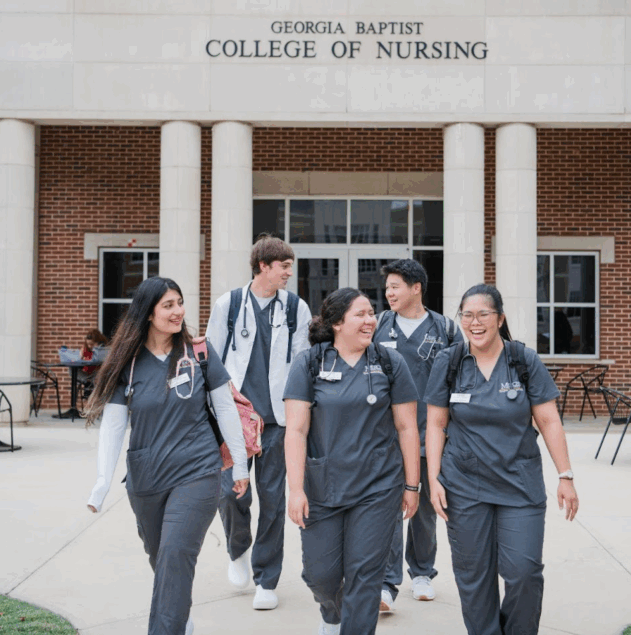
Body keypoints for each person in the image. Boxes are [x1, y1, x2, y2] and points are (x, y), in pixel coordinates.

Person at [84, 277, 249, 635]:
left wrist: (240, 464)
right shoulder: (127, 364)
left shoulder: (199, 353)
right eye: (168, 305)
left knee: (175, 554)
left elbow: (225, 409)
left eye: (180, 303)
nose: (179, 312)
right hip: (146, 479)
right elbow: (113, 427)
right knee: (163, 560)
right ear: (148, 314)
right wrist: (101, 482)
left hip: (197, 471)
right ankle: (180, 619)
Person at [425, 284, 579, 635]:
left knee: (524, 572)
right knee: (473, 577)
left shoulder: (523, 361)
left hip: (519, 485)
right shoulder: (449, 362)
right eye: (467, 315)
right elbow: (435, 423)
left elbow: (549, 419)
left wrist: (565, 475)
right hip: (463, 486)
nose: (474, 322)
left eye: (483, 314)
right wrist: (434, 478)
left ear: (500, 318)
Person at [285, 287, 422, 635]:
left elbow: (407, 428)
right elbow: (297, 431)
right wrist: (296, 489)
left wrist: (411, 484)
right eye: (360, 314)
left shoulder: (390, 363)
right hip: (323, 484)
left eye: (371, 314)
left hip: (378, 486)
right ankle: (332, 614)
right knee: (321, 575)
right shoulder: (310, 362)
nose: (370, 320)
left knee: (365, 576)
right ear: (336, 323)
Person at [205, 235, 312, 610]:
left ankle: (267, 578)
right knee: (230, 492)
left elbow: (302, 364)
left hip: (278, 422)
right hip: (235, 420)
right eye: (284, 266)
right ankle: (238, 550)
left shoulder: (297, 308)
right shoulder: (230, 304)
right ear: (264, 266)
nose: (288, 273)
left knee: (272, 500)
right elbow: (211, 359)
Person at [373, 259, 462, 611]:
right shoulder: (379, 325)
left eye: (395, 286)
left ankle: (422, 572)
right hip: (387, 435)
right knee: (390, 507)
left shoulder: (446, 329)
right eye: (388, 287)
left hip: (431, 435)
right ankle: (386, 583)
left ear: (416, 288)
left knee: (425, 506)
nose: (388, 293)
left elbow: (457, 379)